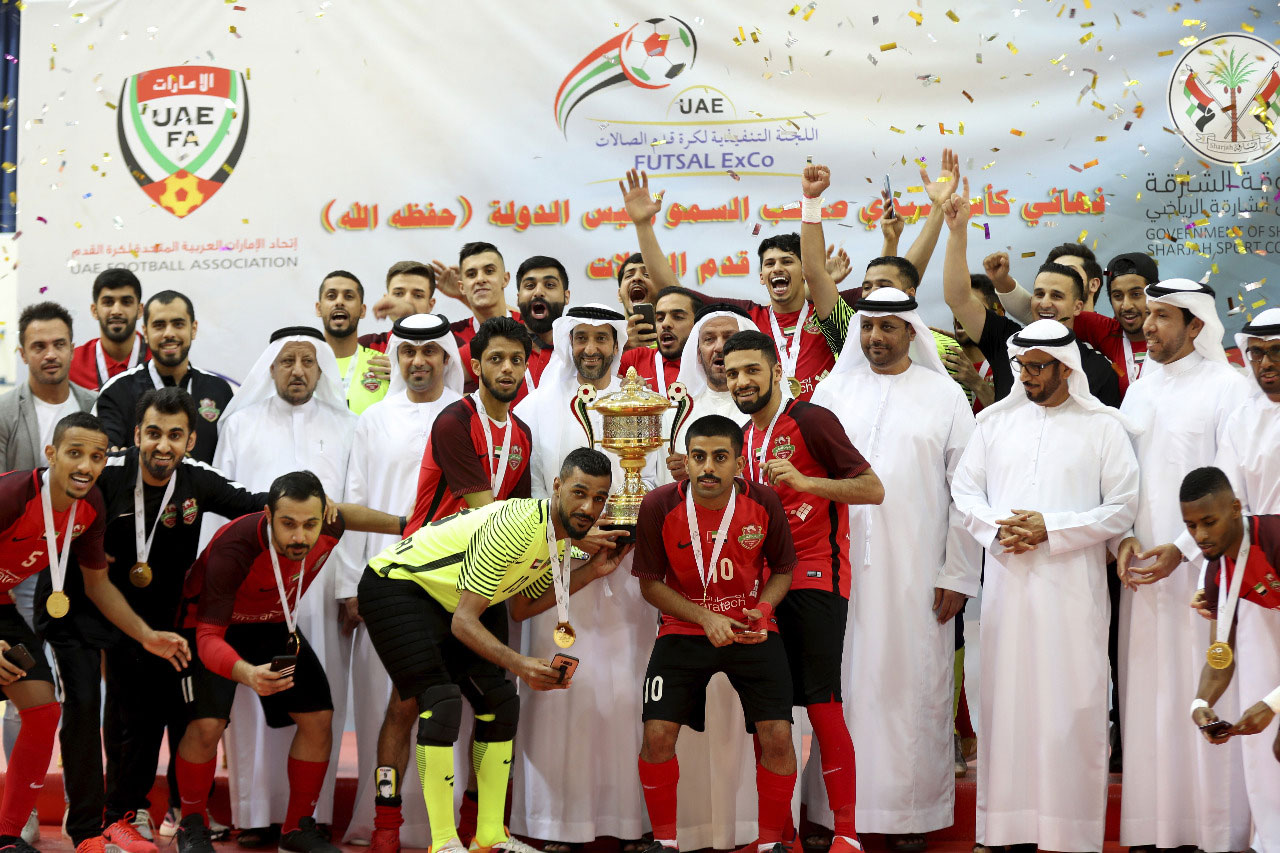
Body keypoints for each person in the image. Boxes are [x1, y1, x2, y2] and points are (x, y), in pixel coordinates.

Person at [358, 448, 629, 853]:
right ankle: (440, 842)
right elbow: (463, 622)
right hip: (397, 585)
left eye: (599, 498)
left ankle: (488, 836)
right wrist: (520, 664)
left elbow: (520, 607)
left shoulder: (559, 540)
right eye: (579, 493)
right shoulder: (518, 526)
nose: (589, 507)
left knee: (500, 703)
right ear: (556, 487)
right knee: (439, 703)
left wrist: (592, 571)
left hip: (453, 601)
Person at [49, 388, 269, 850]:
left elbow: (260, 505)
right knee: (97, 709)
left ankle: (126, 812)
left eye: (174, 435)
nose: (162, 445)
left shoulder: (198, 480)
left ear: (190, 441)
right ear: (135, 436)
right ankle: (96, 812)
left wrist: (320, 505)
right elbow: (48, 494)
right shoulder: (106, 472)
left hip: (157, 619)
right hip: (89, 606)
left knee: (147, 717)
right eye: (152, 433)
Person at [951, 319, 1140, 852]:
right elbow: (965, 492)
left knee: (1072, 704)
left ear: (1066, 368)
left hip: (1073, 589)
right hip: (1009, 586)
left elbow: (1123, 506)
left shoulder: (1103, 427)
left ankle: (1070, 831)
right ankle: (1006, 828)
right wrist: (997, 528)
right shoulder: (993, 424)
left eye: (1037, 368)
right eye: (1022, 368)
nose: (1028, 377)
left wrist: (1050, 529)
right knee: (1006, 703)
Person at [810, 288, 979, 850]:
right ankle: (837, 813)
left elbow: (967, 493)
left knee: (912, 686)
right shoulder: (832, 391)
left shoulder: (945, 395)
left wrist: (957, 572)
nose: (876, 338)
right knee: (841, 681)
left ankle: (911, 814)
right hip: (836, 570)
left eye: (888, 327)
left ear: (912, 332)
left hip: (916, 572)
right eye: (868, 327)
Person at [172, 471, 403, 853]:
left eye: (310, 524)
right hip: (210, 627)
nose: (300, 537)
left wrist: (405, 524)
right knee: (207, 724)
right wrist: (246, 673)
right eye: (288, 524)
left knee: (318, 717)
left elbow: (348, 515)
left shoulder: (327, 525)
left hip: (272, 623)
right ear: (267, 515)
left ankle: (296, 829)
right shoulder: (235, 549)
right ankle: (190, 824)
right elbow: (208, 637)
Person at [722, 330, 882, 853]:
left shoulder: (812, 420)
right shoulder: (743, 438)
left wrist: (809, 483)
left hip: (817, 577)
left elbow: (872, 488)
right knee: (769, 711)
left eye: (751, 370)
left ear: (775, 371)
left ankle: (848, 835)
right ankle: (775, 838)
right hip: (764, 589)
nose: (742, 381)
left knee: (821, 703)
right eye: (732, 374)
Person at [1114, 279, 1253, 853]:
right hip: (1144, 572)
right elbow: (1117, 474)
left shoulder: (1229, 388)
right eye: (1146, 316)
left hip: (1203, 574)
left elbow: (1231, 480)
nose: (1146, 326)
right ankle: (1155, 827)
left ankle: (1215, 828)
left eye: (1161, 317)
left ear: (1196, 325)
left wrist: (1183, 547)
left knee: (1206, 688)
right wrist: (1122, 538)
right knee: (1149, 696)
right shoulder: (1141, 388)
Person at [206, 327, 357, 840]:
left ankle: (309, 818)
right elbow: (220, 511)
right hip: (250, 592)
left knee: (319, 699)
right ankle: (252, 814)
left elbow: (351, 510)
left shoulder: (347, 425)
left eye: (308, 362)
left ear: (322, 370)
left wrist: (351, 587)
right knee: (251, 698)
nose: (297, 370)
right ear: (270, 368)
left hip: (323, 582)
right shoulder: (241, 424)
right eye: (287, 361)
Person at [510, 305, 651, 850]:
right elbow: (529, 490)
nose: (592, 348)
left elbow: (650, 477)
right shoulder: (536, 408)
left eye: (602, 339)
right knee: (560, 697)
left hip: (626, 573)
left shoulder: (640, 401)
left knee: (624, 695)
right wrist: (571, 539)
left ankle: (626, 820)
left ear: (618, 345)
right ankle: (554, 824)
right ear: (568, 342)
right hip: (552, 565)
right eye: (582, 338)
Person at [631, 414, 799, 853]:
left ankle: (768, 845)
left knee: (779, 734)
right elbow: (650, 584)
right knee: (656, 734)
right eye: (698, 457)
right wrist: (704, 618)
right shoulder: (658, 505)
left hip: (750, 627)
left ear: (739, 463)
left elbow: (783, 570)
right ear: (685, 460)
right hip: (683, 629)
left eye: (719, 457)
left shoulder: (764, 502)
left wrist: (762, 611)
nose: (707, 467)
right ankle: (664, 842)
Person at [336, 315, 473, 852]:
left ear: (447, 358)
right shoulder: (373, 420)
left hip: (452, 584)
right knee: (385, 706)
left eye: (431, 352)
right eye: (409, 352)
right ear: (397, 359)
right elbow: (355, 499)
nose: (420, 361)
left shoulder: (466, 416)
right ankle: (383, 825)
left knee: (444, 707)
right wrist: (351, 585)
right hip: (386, 586)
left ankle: (441, 829)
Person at [0, 302, 98, 840]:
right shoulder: (2, 410)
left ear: (71, 346)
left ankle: (52, 810)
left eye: (59, 343)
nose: (50, 353)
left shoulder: (94, 406)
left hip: (66, 572)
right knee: (20, 677)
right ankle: (25, 811)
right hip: (9, 563)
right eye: (38, 345)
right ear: (23, 353)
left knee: (60, 690)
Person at [0, 413, 112, 853]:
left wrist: (146, 634)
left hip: (2, 603)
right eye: (74, 453)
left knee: (43, 710)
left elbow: (99, 585)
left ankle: (8, 837)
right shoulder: (11, 494)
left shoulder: (91, 506)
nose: (85, 465)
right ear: (51, 454)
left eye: (96, 456)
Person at [941, 178, 1120, 406]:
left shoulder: (1099, 369)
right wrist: (957, 232)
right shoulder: (1006, 340)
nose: (1044, 303)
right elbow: (957, 298)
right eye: (1039, 294)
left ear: (1077, 306)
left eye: (1057, 296)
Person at [1180, 467, 1280, 852]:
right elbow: (1220, 657)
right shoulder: (1216, 567)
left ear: (1236, 508)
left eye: (1209, 521)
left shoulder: (1273, 538)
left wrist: (1271, 705)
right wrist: (1201, 705)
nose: (1200, 536)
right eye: (1190, 526)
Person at [407, 317, 533, 531]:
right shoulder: (454, 423)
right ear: (476, 366)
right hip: (426, 556)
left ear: (525, 368)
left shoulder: (522, 433)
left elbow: (518, 510)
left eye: (516, 360)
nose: (507, 368)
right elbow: (485, 513)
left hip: (480, 555)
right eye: (496, 358)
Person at [988, 251, 1156, 395]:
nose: (1126, 305)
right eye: (1117, 296)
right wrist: (1002, 280)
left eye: (1136, 294)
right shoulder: (1104, 330)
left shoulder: (1174, 335)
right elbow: (1036, 312)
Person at [94, 291, 233, 464]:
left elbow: (230, 459)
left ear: (194, 329)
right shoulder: (117, 390)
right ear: (145, 332)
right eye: (159, 325)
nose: (169, 333)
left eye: (178, 324)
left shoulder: (219, 390)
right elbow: (106, 456)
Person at [451, 243, 522, 392]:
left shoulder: (531, 328)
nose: (480, 279)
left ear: (505, 278)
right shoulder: (450, 338)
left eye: (489, 271)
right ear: (461, 287)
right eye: (471, 275)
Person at [315, 270, 388, 414]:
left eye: (348, 296)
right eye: (331, 296)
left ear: (362, 310)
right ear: (319, 308)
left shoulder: (384, 366)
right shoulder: (304, 364)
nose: (339, 302)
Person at [69, 270, 149, 391]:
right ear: (94, 310)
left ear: (140, 310)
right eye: (108, 302)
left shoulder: (158, 359)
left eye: (126, 302)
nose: (116, 310)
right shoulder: (72, 364)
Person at [617, 286, 703, 396]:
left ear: (698, 324)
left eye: (678, 317)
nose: (665, 324)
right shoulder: (633, 358)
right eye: (660, 318)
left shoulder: (713, 365)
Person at [513, 255, 570, 397]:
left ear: (566, 296)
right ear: (518, 297)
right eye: (530, 286)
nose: (538, 292)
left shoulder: (580, 349)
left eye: (550, 285)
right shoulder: (497, 346)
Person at [360, 261, 439, 353]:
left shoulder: (446, 348)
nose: (407, 301)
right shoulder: (366, 346)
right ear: (386, 300)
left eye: (418, 295)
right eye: (398, 294)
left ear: (430, 305)